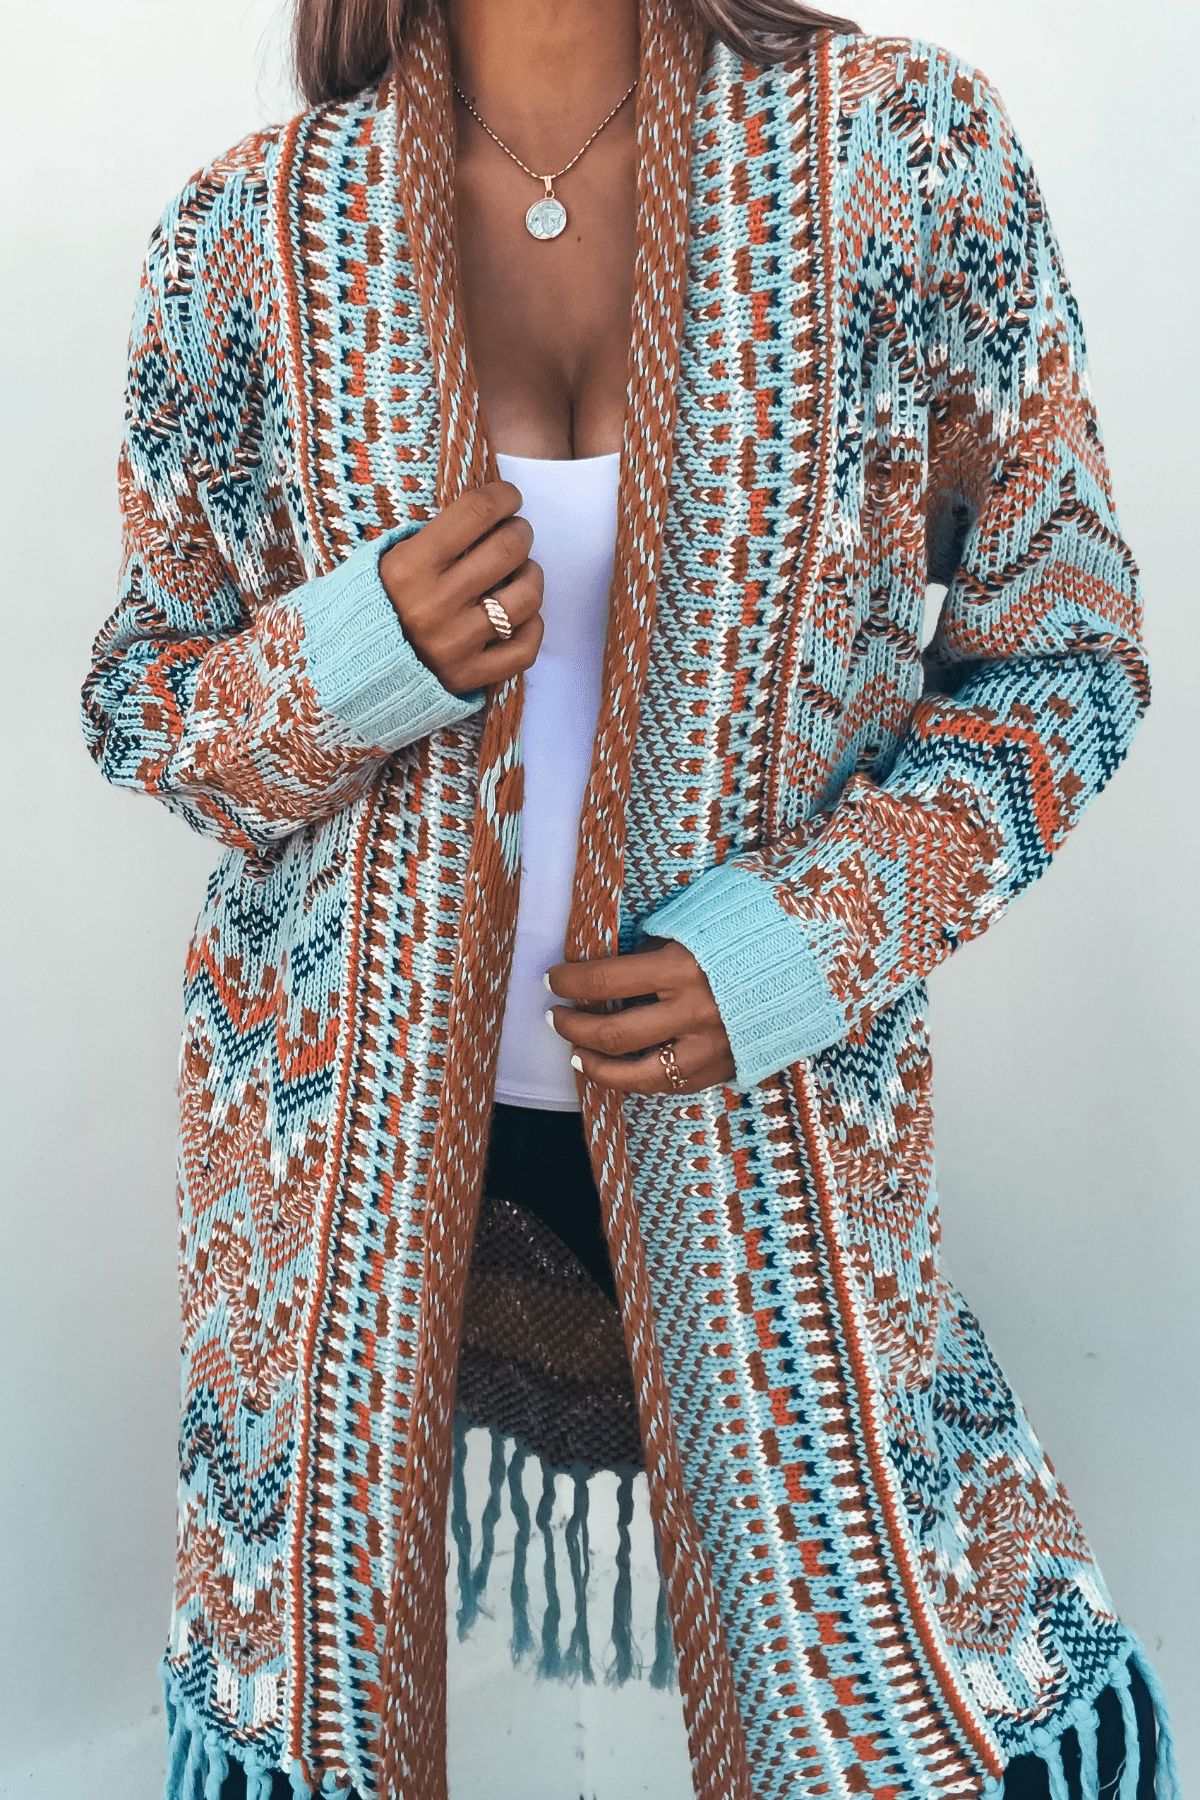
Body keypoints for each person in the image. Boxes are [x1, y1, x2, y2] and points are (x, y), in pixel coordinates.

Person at [81, 0, 1179, 1794]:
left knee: (931, 1692)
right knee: (308, 1715)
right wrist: (357, 656)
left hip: (767, 1135)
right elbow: (148, 705)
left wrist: (800, 944)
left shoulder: (907, 153)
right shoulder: (242, 237)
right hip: (338, 1179)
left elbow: (1068, 648)